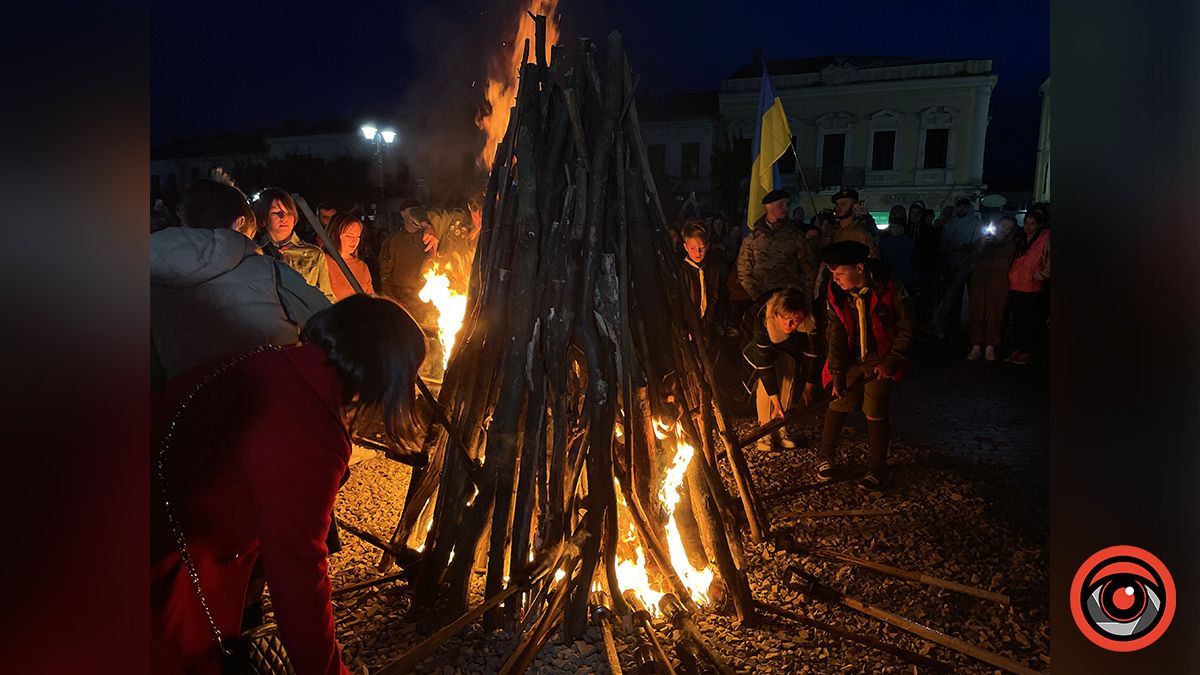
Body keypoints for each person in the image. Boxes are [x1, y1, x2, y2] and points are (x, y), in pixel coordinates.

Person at [151, 295, 425, 675]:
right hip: (160, 559)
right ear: (388, 373)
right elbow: (298, 574)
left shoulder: (277, 360)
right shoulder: (311, 429)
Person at [151, 179, 331, 388]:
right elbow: (331, 323)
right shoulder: (270, 270)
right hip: (272, 396)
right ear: (239, 223)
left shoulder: (150, 277)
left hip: (191, 410)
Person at [816, 240, 914, 490]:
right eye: (832, 274)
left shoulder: (888, 287)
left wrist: (890, 362)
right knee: (838, 400)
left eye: (839, 273)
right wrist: (837, 373)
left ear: (859, 268)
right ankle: (826, 456)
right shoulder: (836, 292)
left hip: (880, 355)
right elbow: (835, 333)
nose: (835, 279)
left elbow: (907, 327)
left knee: (875, 407)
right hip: (850, 356)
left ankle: (877, 468)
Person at [741, 287, 823, 452]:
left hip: (789, 347)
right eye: (785, 319)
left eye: (795, 320)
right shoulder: (762, 320)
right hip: (756, 341)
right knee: (765, 381)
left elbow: (812, 353)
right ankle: (765, 429)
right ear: (777, 315)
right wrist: (775, 401)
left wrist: (809, 385)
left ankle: (781, 427)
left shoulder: (808, 321)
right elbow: (765, 366)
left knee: (789, 370)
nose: (790, 325)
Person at [253, 188, 336, 303]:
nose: (284, 217)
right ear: (264, 217)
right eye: (276, 212)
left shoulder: (313, 254)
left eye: (288, 212)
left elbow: (327, 297)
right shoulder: (253, 252)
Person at [735, 189, 819, 303]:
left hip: (789, 298)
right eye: (781, 203)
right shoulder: (753, 237)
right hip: (763, 298)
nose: (786, 208)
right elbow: (744, 270)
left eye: (787, 204)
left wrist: (806, 298)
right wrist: (757, 297)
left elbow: (809, 269)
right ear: (769, 206)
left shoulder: (795, 235)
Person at [966, 213, 1019, 361]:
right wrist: (981, 246)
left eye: (1009, 228)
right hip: (979, 280)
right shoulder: (983, 241)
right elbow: (971, 258)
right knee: (977, 311)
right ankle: (976, 345)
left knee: (994, 312)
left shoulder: (1010, 244)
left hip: (997, 281)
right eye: (1003, 226)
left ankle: (991, 346)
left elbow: (1003, 265)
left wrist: (978, 266)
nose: (1005, 230)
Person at [379, 198, 441, 324]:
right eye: (411, 211)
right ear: (402, 213)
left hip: (424, 300)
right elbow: (384, 274)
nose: (416, 215)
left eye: (418, 211)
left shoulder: (431, 239)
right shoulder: (393, 241)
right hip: (401, 299)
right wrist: (391, 301)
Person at [1005, 208, 1051, 365]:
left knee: (1030, 321)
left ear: (1039, 225)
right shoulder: (1020, 239)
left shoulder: (1045, 239)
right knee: (1017, 320)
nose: (1028, 227)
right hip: (1015, 284)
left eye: (1032, 224)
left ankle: (1027, 350)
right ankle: (1017, 348)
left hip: (1032, 286)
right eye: (1026, 223)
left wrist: (1040, 275)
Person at [935, 197, 981, 340]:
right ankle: (951, 326)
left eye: (964, 207)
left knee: (965, 296)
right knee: (952, 296)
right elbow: (943, 245)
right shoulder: (950, 225)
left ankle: (970, 328)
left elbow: (978, 244)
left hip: (968, 265)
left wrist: (968, 249)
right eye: (959, 207)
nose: (962, 209)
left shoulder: (975, 224)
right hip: (951, 264)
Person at [680, 221, 722, 338]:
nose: (697, 252)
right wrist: (685, 327)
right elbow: (681, 302)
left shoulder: (711, 268)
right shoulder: (682, 271)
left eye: (701, 248)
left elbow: (714, 295)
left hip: (706, 326)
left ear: (707, 246)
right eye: (692, 248)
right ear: (685, 247)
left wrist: (708, 322)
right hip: (688, 330)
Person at [324, 212, 375, 301]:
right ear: (334, 234)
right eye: (349, 236)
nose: (354, 241)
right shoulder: (322, 262)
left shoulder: (362, 267)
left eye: (357, 236)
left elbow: (369, 296)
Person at [878, 206, 920, 293]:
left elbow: (914, 263)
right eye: (894, 227)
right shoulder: (884, 243)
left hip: (904, 280)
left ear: (903, 228)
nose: (896, 230)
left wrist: (915, 282)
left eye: (898, 228)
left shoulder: (909, 244)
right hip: (892, 280)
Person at [830, 187, 880, 259]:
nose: (839, 207)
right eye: (837, 204)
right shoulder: (832, 231)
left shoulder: (862, 234)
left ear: (855, 206)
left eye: (844, 203)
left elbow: (873, 260)